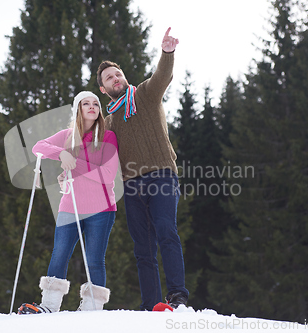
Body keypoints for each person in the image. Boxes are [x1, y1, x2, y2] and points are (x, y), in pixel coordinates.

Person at [96, 27, 189, 311]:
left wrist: (168, 52)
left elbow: (163, 75)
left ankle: (178, 296)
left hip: (162, 174)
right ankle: (151, 304)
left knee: (165, 229)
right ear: (104, 89)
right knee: (143, 248)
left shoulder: (146, 94)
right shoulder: (109, 122)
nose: (116, 79)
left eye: (118, 74)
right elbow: (98, 155)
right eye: (109, 78)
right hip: (132, 185)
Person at [18, 91, 119, 314]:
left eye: (95, 104)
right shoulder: (67, 136)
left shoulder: (107, 137)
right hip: (70, 206)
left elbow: (108, 174)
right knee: (60, 252)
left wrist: (75, 164)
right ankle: (50, 306)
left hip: (101, 208)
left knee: (94, 259)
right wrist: (62, 154)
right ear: (78, 109)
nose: (92, 107)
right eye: (86, 104)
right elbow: (38, 147)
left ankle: (92, 309)